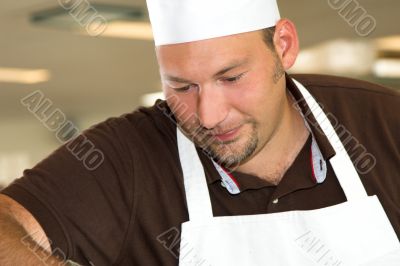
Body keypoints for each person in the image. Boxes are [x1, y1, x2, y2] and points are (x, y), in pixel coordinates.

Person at [1, 0, 399, 265]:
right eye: (181, 87)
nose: (207, 117)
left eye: (231, 77)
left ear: (283, 45)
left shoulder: (383, 123)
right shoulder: (128, 156)